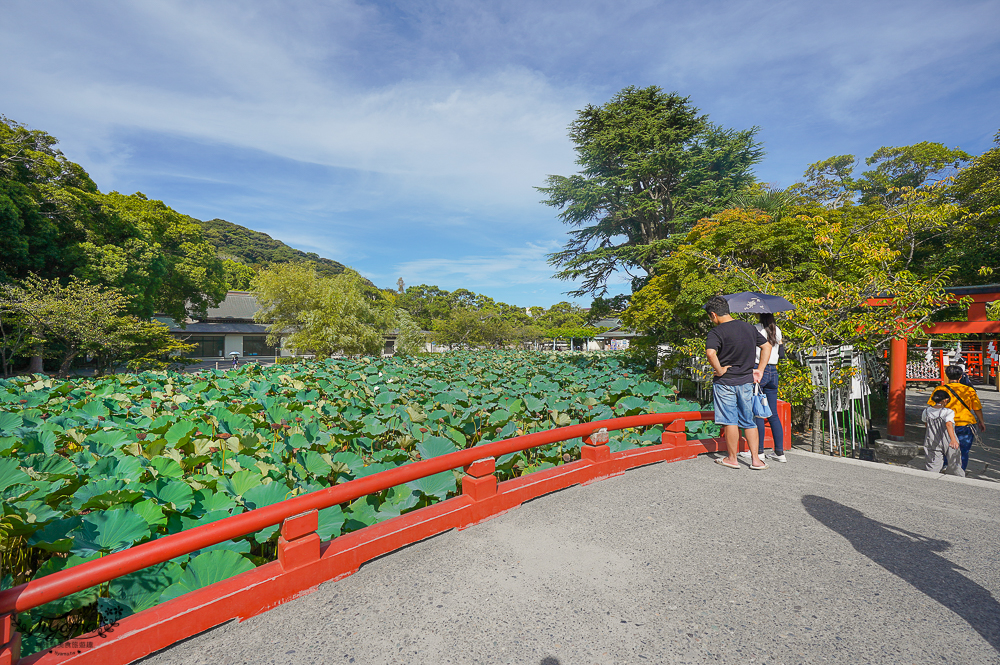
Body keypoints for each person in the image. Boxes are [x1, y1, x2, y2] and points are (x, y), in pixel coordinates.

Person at [704, 296, 772, 470]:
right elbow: (767, 347)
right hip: (746, 381)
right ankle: (756, 460)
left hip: (725, 381)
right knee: (749, 421)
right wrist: (760, 369)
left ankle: (732, 459)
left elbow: (711, 353)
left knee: (730, 420)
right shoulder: (748, 327)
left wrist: (719, 370)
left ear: (713, 315)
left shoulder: (716, 332)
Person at [738, 313, 786, 463]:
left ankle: (758, 452)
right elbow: (782, 353)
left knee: (757, 411)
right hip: (773, 372)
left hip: (759, 369)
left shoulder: (756, 329)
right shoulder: (777, 330)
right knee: (773, 414)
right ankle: (779, 452)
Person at [926, 364, 985, 472]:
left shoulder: (940, 389)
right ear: (961, 377)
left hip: (944, 424)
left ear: (947, 376)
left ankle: (945, 466)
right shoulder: (969, 390)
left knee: (944, 448)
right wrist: (981, 422)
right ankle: (959, 471)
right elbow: (977, 408)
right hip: (965, 424)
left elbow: (932, 406)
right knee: (963, 450)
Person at [922, 389, 963, 477]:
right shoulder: (948, 412)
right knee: (954, 463)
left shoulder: (926, 411)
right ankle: (958, 480)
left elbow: (926, 424)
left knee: (933, 464)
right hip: (948, 439)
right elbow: (948, 424)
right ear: (945, 400)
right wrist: (953, 440)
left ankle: (930, 480)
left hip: (932, 439)